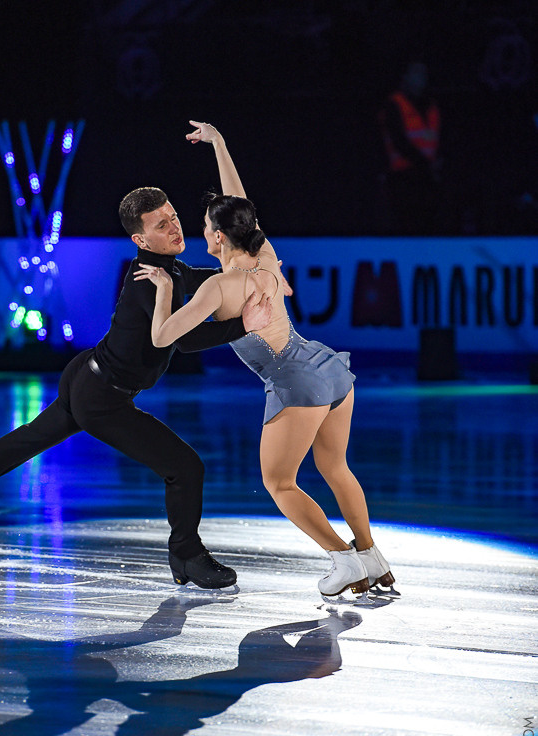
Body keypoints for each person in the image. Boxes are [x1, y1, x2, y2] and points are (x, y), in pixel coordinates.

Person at [0, 187, 272, 589]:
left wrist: (241, 275)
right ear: (139, 240)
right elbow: (179, 338)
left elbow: (197, 280)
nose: (174, 227)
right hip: (104, 398)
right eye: (161, 224)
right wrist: (243, 324)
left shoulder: (167, 269)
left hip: (87, 375)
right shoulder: (148, 281)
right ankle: (186, 554)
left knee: (28, 439)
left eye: (172, 216)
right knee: (185, 468)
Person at [134, 121, 395, 599]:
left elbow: (161, 337)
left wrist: (167, 288)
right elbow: (240, 205)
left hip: (295, 383)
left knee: (279, 483)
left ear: (215, 236)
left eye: (205, 226)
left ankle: (345, 561)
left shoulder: (219, 286)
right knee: (335, 467)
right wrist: (220, 144)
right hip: (327, 369)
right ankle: (371, 554)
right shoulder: (266, 253)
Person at [379, 61, 442, 235]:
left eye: (423, 72)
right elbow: (399, 142)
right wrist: (425, 164)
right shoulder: (394, 105)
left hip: (428, 182)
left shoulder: (432, 107)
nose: (421, 77)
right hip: (402, 181)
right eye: (416, 72)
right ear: (404, 76)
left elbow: (440, 140)